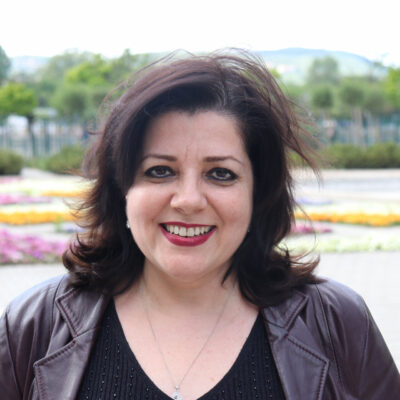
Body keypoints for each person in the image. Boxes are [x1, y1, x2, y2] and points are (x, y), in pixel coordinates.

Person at [0, 50, 399, 400]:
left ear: (258, 193)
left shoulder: (336, 324)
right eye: (160, 171)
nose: (188, 200)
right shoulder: (36, 326)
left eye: (221, 174)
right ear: (122, 190)